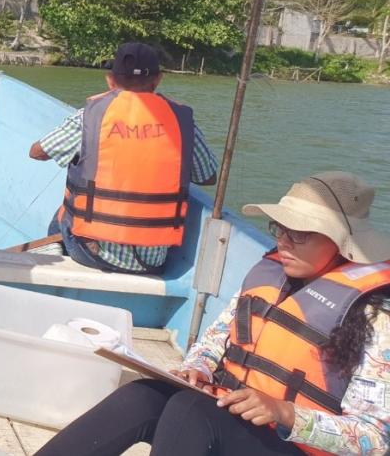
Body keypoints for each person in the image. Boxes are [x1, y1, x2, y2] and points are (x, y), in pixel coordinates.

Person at [34, 171, 390, 456]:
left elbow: (375, 438)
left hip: (296, 445)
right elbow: (216, 339)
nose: (283, 241)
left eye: (300, 234)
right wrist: (197, 369)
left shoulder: (375, 316)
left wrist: (285, 413)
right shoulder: (272, 274)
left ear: (342, 242)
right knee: (143, 396)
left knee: (192, 412)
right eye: (280, 228)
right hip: (239, 424)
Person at [29, 42, 218, 274]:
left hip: (93, 253)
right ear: (158, 80)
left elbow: (37, 152)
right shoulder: (181, 122)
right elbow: (208, 177)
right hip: (152, 260)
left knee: (64, 212)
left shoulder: (89, 117)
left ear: (110, 80)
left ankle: (55, 254)